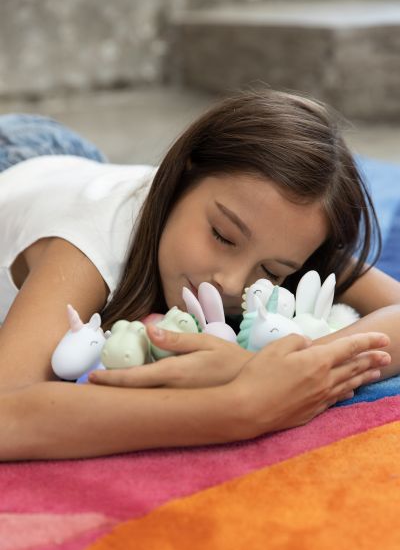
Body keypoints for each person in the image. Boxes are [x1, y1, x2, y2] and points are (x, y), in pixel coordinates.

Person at [0, 90, 398, 461]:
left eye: (271, 271)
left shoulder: (284, 225)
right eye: (223, 236)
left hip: (76, 166)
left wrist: (275, 368)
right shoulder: (86, 243)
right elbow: (7, 416)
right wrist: (240, 406)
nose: (232, 282)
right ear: (183, 175)